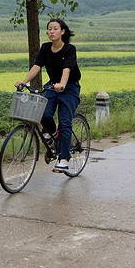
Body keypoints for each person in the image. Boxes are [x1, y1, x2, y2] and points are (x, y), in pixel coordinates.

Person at [14, 18, 81, 174]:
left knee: (65, 122)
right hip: (52, 85)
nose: (51, 31)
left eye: (55, 28)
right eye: (49, 29)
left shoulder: (70, 49)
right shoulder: (45, 48)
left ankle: (64, 158)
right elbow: (37, 66)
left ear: (62, 31)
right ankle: (52, 135)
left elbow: (67, 69)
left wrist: (63, 84)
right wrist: (24, 82)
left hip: (69, 87)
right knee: (43, 114)